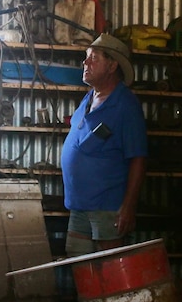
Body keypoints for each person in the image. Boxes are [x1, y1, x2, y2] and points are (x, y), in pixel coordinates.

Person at [61, 33, 148, 257]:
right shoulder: (88, 98)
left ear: (112, 66)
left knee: (109, 273)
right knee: (81, 271)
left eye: (93, 57)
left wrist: (128, 207)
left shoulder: (125, 105)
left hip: (107, 208)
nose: (85, 62)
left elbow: (138, 159)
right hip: (79, 206)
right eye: (86, 57)